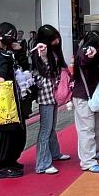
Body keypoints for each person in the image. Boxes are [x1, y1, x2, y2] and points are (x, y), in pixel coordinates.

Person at [0, 22, 26, 179]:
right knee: (6, 132)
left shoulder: (9, 52)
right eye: (8, 35)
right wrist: (1, 76)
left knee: (19, 131)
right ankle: (3, 166)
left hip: (15, 97)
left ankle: (12, 160)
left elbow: (24, 65)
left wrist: (19, 51)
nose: (11, 38)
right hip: (3, 99)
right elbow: (0, 68)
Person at [30, 25, 71, 174]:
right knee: (45, 129)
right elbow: (44, 73)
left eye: (57, 37)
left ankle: (54, 153)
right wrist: (43, 56)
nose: (57, 41)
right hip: (46, 95)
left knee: (51, 127)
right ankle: (42, 164)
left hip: (52, 94)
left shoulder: (52, 51)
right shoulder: (39, 53)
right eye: (53, 38)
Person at [72, 31, 99, 173]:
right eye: (97, 45)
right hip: (83, 96)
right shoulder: (84, 52)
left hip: (97, 97)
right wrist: (90, 53)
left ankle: (95, 151)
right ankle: (87, 161)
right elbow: (83, 59)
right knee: (86, 129)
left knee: (98, 126)